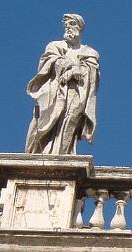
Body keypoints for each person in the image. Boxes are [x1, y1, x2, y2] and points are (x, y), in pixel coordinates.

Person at [25, 14, 100, 155]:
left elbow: (91, 74)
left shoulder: (89, 52)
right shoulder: (55, 46)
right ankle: (40, 153)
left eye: (72, 24)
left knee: (70, 120)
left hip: (76, 94)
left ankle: (62, 154)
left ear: (80, 28)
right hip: (54, 92)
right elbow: (48, 62)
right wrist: (70, 66)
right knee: (43, 123)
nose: (68, 28)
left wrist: (75, 72)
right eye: (66, 26)